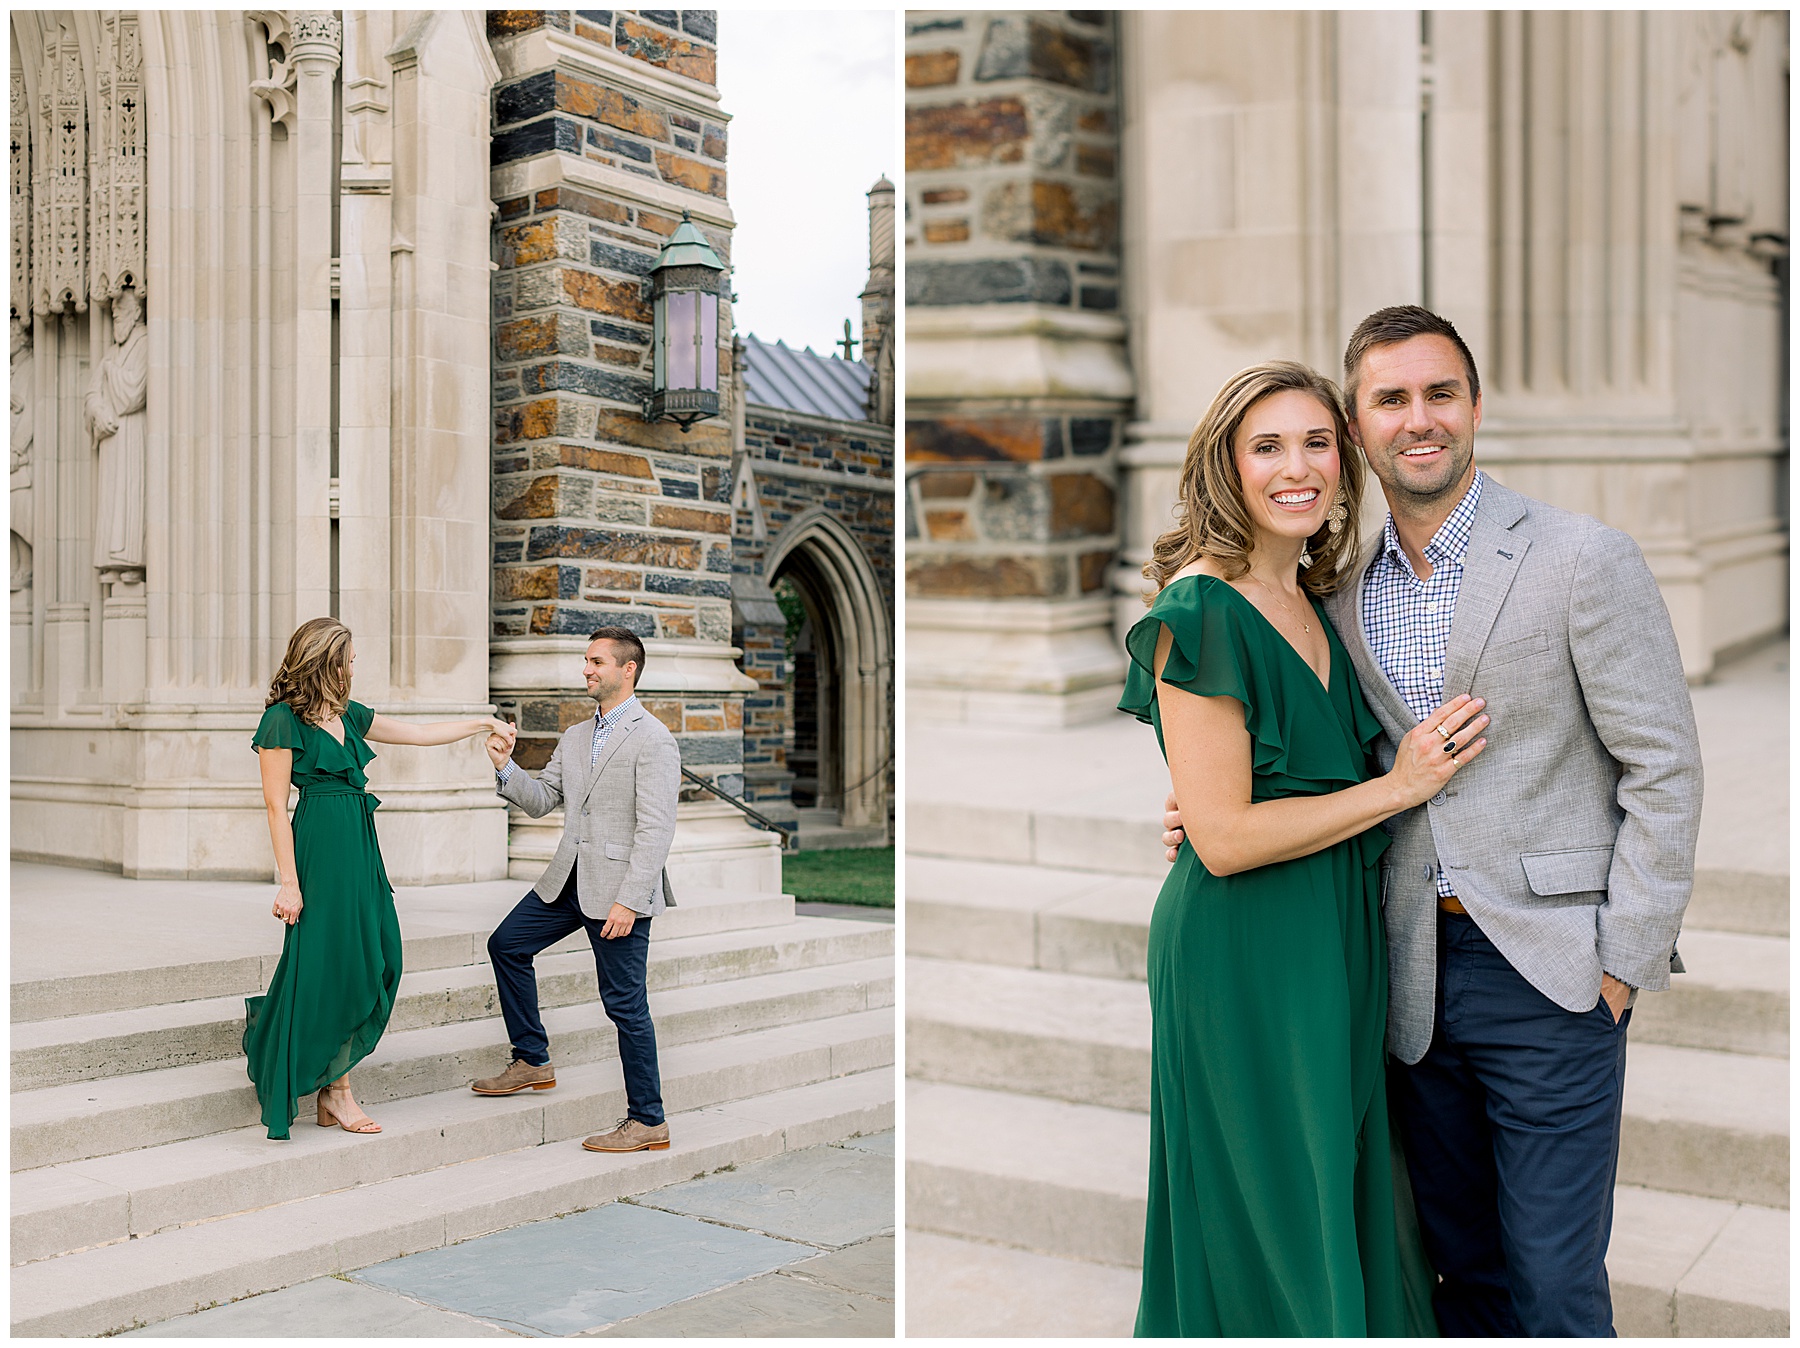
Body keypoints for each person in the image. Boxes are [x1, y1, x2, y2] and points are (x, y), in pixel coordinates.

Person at [1161, 307, 1703, 1336]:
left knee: (1553, 1283)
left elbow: (1664, 767)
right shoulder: (1333, 589)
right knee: (1457, 1268)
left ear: (1475, 407)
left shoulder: (1584, 557)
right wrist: (1202, 804)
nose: (1419, 419)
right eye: (1389, 399)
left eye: (1439, 393)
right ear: (1364, 427)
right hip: (1396, 975)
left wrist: (1622, 961)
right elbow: (1313, 753)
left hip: (1551, 971)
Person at [1123, 359, 1482, 1336]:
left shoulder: (1321, 597)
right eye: (1268, 446)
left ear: (1345, 458)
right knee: (1279, 1213)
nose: (1298, 467)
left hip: (1336, 932)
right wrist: (1397, 786)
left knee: (1344, 1186)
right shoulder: (1197, 609)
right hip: (1247, 951)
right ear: (1225, 467)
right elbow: (1229, 838)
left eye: (1317, 442)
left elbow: (1249, 790)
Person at [248, 616, 512, 1139]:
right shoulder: (282, 721)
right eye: (348, 658)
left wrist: (483, 723)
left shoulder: (349, 715)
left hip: (360, 848)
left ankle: (324, 1079)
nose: (352, 666)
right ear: (327, 661)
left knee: (378, 953)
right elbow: (276, 808)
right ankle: (338, 1092)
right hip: (320, 851)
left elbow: (417, 735)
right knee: (331, 964)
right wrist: (290, 882)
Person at [473, 626, 681, 1154]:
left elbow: (656, 829)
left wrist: (631, 899)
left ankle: (648, 1120)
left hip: (618, 893)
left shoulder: (654, 739)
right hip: (567, 880)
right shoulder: (575, 735)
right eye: (586, 661)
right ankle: (532, 1060)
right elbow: (543, 799)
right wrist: (505, 766)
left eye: (596, 661)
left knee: (625, 1006)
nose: (586, 669)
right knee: (508, 944)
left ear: (627, 668)